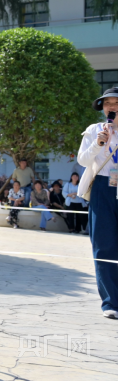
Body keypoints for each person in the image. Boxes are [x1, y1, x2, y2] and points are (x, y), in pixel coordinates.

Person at [78, 87, 118, 318]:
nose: (111, 107)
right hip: (103, 187)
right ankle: (111, 303)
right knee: (104, 245)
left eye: (115, 102)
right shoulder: (95, 130)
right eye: (106, 103)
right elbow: (83, 160)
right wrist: (99, 143)